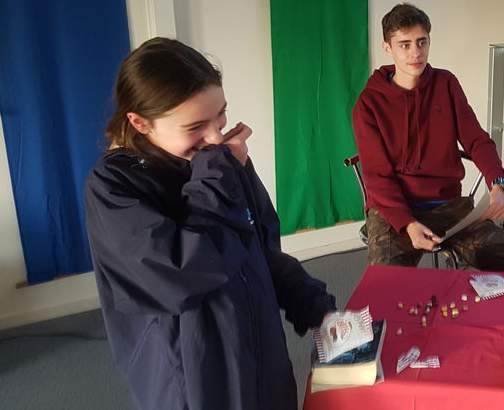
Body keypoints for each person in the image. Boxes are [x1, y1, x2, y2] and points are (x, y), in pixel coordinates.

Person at [84, 38, 336, 410]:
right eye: (195, 126)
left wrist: (316, 308)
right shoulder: (114, 186)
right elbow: (181, 275)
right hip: (193, 383)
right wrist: (218, 173)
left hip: (260, 360)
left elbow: (262, 250)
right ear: (140, 122)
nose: (215, 136)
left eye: (220, 115)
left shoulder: (218, 163)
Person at [352, 3, 504, 273]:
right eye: (405, 45)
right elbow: (377, 177)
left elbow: (477, 141)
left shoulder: (446, 84)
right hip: (393, 210)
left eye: (422, 42)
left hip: (448, 207)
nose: (416, 53)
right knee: (387, 282)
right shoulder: (368, 104)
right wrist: (407, 223)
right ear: (387, 48)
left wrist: (498, 184)